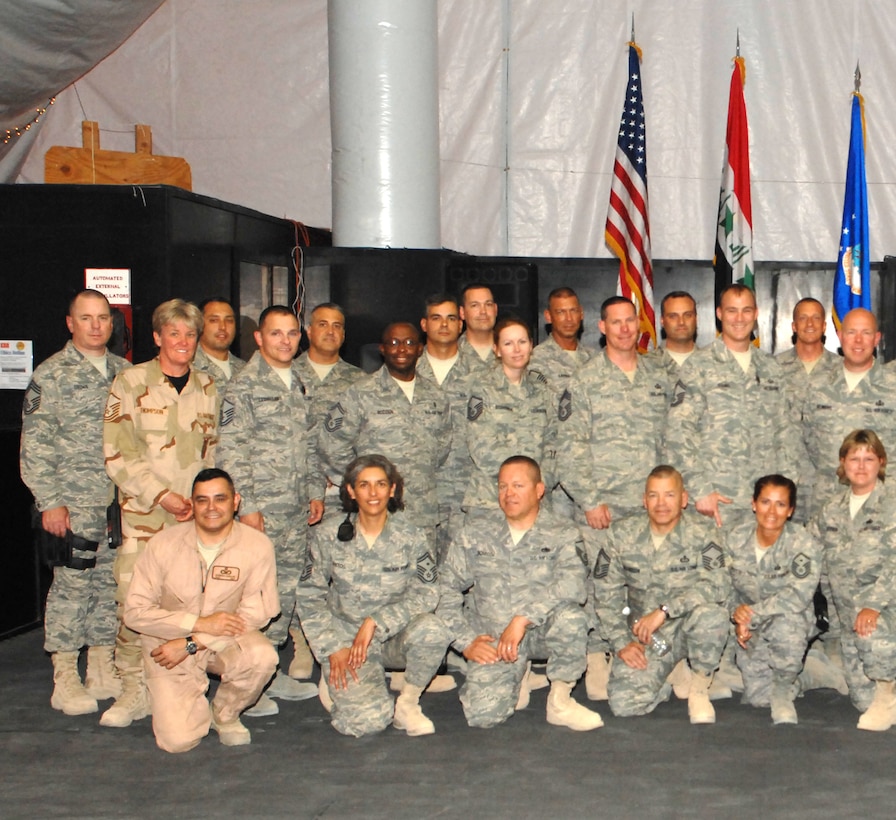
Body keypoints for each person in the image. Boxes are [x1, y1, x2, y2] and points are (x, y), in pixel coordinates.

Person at [102, 298, 220, 728]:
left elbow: (217, 451)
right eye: (174, 333)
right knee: (134, 602)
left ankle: (182, 685)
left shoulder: (208, 387)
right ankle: (133, 686)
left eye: (190, 334)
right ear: (157, 337)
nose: (183, 342)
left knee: (192, 601)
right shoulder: (129, 383)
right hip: (146, 516)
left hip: (196, 519)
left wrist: (206, 503)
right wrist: (162, 495)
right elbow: (117, 452)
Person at [555, 296, 672, 700]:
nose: (624, 329)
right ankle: (596, 656)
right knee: (597, 581)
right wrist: (589, 500)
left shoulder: (659, 378)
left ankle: (657, 653)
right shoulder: (584, 380)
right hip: (603, 505)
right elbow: (570, 446)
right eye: (616, 322)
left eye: (630, 321)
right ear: (602, 327)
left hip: (650, 507)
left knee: (649, 579)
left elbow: (671, 439)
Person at [20, 289, 131, 715]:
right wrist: (50, 501)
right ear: (70, 323)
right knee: (71, 588)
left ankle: (101, 666)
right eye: (86, 318)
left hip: (115, 505)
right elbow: (35, 447)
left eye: (103, 318)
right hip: (71, 504)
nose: (96, 325)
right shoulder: (51, 376)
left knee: (109, 586)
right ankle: (65, 675)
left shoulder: (125, 373)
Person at [437, 456, 602, 731]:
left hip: (542, 632)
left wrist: (524, 618)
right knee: (483, 715)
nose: (508, 494)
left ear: (539, 490)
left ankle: (560, 700)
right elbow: (446, 588)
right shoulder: (475, 533)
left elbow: (574, 584)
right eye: (502, 487)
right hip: (494, 638)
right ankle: (515, 677)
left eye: (518, 485)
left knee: (572, 618)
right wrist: (464, 641)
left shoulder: (562, 532)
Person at [123, 469, 279, 752]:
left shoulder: (257, 546)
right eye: (202, 500)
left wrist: (194, 642)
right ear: (192, 504)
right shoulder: (163, 544)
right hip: (167, 646)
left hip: (225, 640)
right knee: (178, 741)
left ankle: (224, 714)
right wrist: (197, 623)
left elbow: (258, 612)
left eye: (220, 499)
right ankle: (168, 694)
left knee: (262, 656)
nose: (211, 508)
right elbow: (135, 612)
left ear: (236, 502)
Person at [216, 306, 325, 712]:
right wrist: (248, 505)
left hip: (296, 509)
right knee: (255, 594)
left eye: (292, 334)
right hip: (261, 512)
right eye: (275, 334)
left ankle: (269, 672)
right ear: (259, 338)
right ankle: (246, 678)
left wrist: (315, 490)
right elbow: (232, 451)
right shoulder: (243, 387)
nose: (285, 341)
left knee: (286, 591)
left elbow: (311, 443)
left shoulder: (299, 382)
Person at [296, 455, 449, 737]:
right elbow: (309, 596)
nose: (373, 493)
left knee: (434, 630)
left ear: (392, 489)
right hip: (347, 643)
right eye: (364, 485)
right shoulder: (330, 534)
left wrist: (376, 621)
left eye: (381, 484)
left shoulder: (410, 535)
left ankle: (408, 702)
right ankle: (339, 678)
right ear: (351, 492)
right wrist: (331, 648)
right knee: (366, 723)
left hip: (393, 635)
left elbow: (428, 592)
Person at [666, 283, 799, 527]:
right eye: (732, 311)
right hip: (717, 501)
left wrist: (785, 491)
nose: (739, 318)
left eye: (746, 310)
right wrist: (699, 489)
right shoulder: (699, 366)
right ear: (719, 314)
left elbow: (786, 432)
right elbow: (679, 432)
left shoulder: (771, 368)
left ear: (756, 314)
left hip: (765, 505)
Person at [320, 322, 450, 545]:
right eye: (394, 343)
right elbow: (331, 444)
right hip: (376, 512)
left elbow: (442, 450)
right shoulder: (361, 393)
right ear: (382, 349)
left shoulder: (436, 395)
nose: (402, 349)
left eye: (409, 343)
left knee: (422, 578)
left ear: (420, 349)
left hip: (422, 512)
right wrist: (362, 483)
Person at [812, 429, 896, 731]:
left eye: (869, 459)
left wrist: (873, 605)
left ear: (881, 462)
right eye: (854, 458)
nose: (861, 466)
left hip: (886, 608)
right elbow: (810, 554)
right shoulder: (830, 510)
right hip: (849, 618)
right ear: (842, 463)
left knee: (873, 636)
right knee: (861, 700)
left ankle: (887, 695)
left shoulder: (892, 504)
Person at [725, 475, 820, 724]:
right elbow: (722, 584)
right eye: (765, 502)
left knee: (788, 624)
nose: (772, 511)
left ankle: (783, 691)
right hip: (749, 623)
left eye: (780, 504)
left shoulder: (802, 542)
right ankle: (807, 673)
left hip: (788, 618)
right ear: (753, 504)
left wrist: (751, 614)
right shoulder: (735, 539)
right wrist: (736, 613)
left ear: (790, 511)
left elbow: (798, 595)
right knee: (758, 698)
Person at [800, 308, 896, 521]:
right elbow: (805, 444)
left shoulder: (892, 385)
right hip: (825, 503)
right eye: (851, 332)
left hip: (884, 505)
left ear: (877, 338)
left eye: (866, 333)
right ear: (841, 336)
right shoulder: (816, 385)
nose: (858, 340)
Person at [462, 317, 556, 513]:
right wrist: (520, 483)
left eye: (522, 342)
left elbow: (554, 443)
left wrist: (538, 483)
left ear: (531, 345)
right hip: (492, 499)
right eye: (508, 343)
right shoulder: (482, 388)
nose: (516, 349)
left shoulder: (543, 390)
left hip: (536, 499)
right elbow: (482, 447)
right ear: (497, 349)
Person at [416, 293, 479, 555]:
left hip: (468, 493)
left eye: (451, 318)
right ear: (424, 324)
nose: (444, 325)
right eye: (436, 318)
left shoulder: (484, 373)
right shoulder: (408, 371)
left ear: (461, 324)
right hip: (421, 494)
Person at [776, 298, 839, 523]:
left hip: (830, 486)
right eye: (803, 318)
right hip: (784, 482)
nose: (809, 323)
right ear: (793, 326)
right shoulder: (772, 369)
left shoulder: (841, 371)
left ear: (824, 326)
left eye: (816, 318)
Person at [529, 286, 595, 402]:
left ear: (581, 313)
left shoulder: (594, 358)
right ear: (548, 316)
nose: (569, 318)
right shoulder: (535, 359)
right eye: (561, 312)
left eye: (573, 311)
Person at [191, 297, 246, 385]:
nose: (223, 327)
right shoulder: (187, 367)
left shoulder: (245, 369)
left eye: (229, 320)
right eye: (214, 320)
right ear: (199, 324)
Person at [648, 291, 698, 373]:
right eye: (673, 316)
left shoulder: (715, 363)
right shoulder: (645, 365)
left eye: (687, 315)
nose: (681, 322)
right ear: (662, 321)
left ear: (696, 319)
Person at [458, 283, 498, 369]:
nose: (483, 311)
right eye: (475, 305)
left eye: (488, 304)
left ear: (495, 309)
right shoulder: (451, 354)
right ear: (462, 312)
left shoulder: (514, 352)